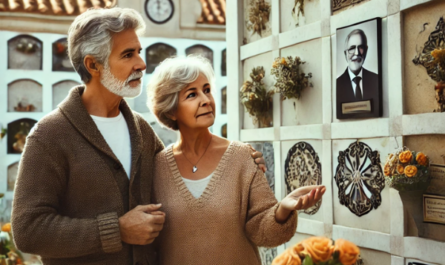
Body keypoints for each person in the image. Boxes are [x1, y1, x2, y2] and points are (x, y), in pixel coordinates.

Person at [11, 8, 265, 265]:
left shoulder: (141, 130)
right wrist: (117, 230)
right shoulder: (49, 136)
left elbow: (178, 180)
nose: (142, 64)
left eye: (139, 52)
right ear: (93, 64)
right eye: (128, 54)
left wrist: (240, 166)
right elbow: (28, 230)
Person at [147, 56, 326, 265]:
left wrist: (283, 210)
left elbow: (264, 232)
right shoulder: (157, 167)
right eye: (192, 94)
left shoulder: (241, 157)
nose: (205, 100)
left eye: (206, 90)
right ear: (171, 110)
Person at [336, 29, 379, 111]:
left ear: (366, 51)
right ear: (345, 53)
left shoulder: (376, 79)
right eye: (352, 48)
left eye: (361, 47)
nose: (357, 53)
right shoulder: (337, 84)